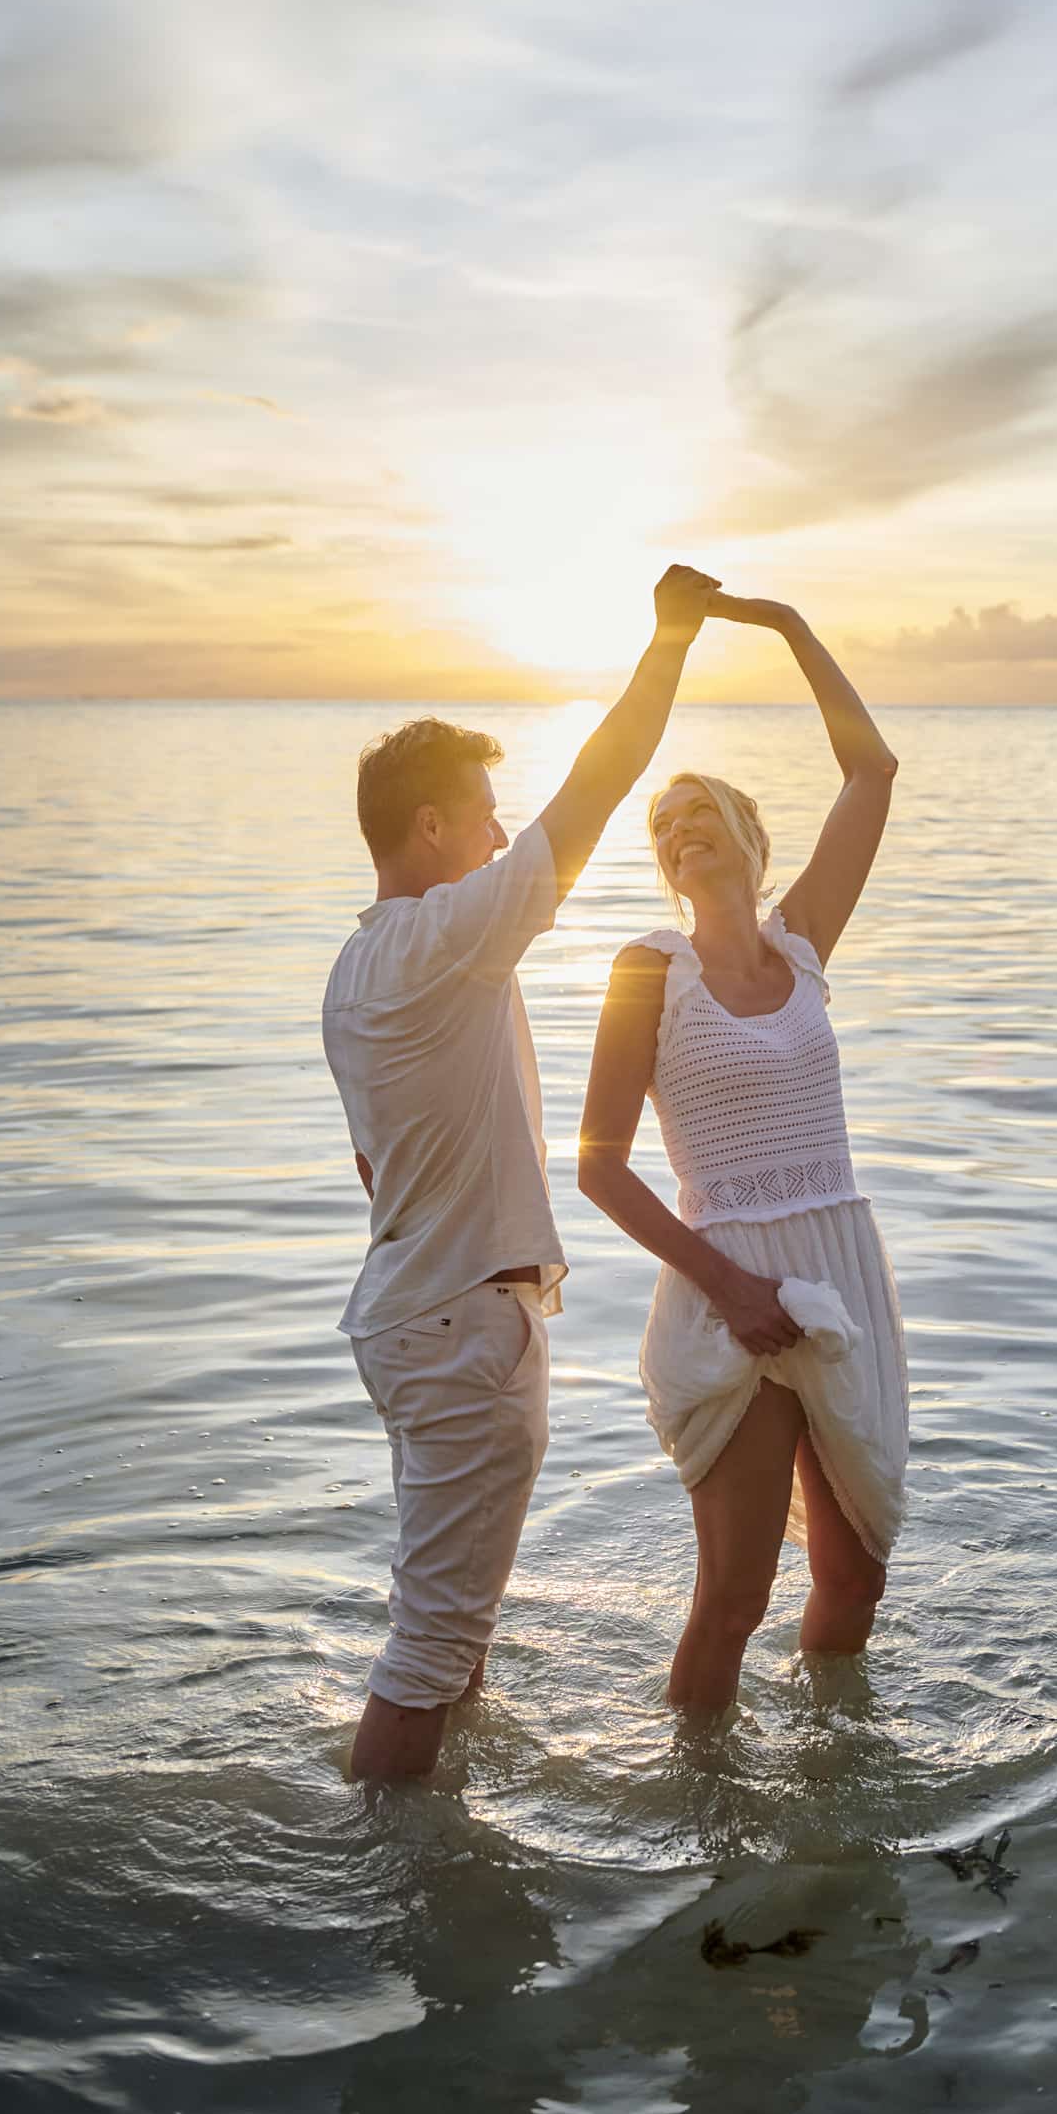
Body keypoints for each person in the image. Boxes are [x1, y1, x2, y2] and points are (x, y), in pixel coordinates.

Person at [322, 563, 719, 1782]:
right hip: (457, 1332)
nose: (502, 835)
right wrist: (666, 645)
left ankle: (442, 1830)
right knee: (430, 1642)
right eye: (483, 814)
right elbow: (589, 802)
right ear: (431, 829)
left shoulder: (355, 971)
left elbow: (371, 1164)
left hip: (418, 1315)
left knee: (449, 1629)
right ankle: (390, 1874)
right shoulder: (440, 940)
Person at [577, 595, 908, 1713]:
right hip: (728, 1285)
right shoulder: (646, 968)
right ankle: (708, 1816)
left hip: (839, 1260)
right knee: (734, 1594)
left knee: (856, 1574)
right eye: (663, 822)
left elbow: (872, 774)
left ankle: (835, 1781)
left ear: (755, 841)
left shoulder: (804, 944)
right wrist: (733, 1284)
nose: (679, 825)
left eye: (700, 807)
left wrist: (784, 626)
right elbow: (598, 1163)